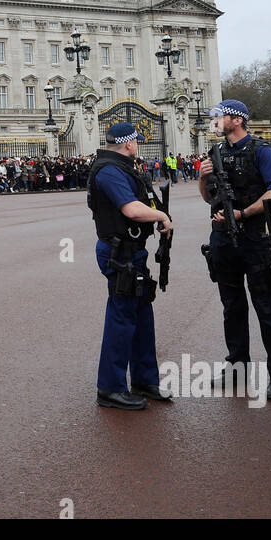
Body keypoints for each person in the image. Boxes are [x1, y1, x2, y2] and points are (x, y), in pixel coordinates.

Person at [198, 99, 271, 399]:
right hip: (223, 238)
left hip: (254, 236)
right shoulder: (217, 153)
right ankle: (237, 365)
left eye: (221, 116)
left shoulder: (260, 150)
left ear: (237, 120)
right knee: (232, 306)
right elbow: (207, 197)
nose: (216, 120)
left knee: (266, 305)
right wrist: (202, 177)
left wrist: (244, 213)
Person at [88, 122, 174, 411]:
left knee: (141, 318)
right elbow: (131, 209)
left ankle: (144, 379)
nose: (137, 144)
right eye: (135, 140)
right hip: (118, 252)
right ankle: (110, 388)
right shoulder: (110, 170)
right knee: (121, 320)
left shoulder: (122, 166)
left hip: (132, 251)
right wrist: (160, 216)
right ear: (128, 143)